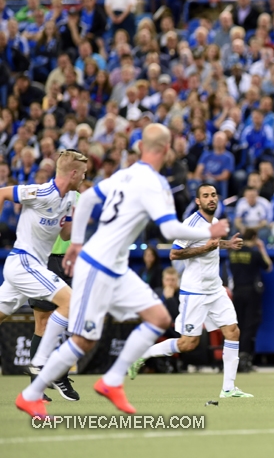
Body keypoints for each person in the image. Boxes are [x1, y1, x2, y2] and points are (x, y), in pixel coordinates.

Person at [16, 124, 231, 418]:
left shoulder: (125, 173)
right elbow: (169, 229)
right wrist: (212, 232)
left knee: (158, 318)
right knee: (84, 339)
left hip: (113, 264)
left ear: (142, 147)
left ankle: (111, 381)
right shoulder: (155, 183)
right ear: (167, 150)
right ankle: (31, 394)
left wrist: (76, 242)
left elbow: (89, 198)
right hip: (99, 265)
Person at [129, 183, 252, 398]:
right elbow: (174, 254)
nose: (211, 199)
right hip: (194, 291)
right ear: (198, 201)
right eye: (206, 196)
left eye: (213, 195)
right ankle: (143, 354)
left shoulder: (214, 222)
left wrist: (227, 245)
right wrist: (206, 248)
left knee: (233, 331)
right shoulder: (191, 224)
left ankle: (228, 388)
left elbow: (211, 243)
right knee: (188, 343)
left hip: (214, 288)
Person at [0, 150, 88, 403]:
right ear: (72, 173)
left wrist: (79, 219)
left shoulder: (71, 197)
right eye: (82, 173)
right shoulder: (41, 192)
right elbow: (3, 193)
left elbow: (64, 235)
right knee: (71, 303)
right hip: (22, 263)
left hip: (34, 267)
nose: (84, 176)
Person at [27, 189, 81, 403]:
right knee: (42, 323)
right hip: (44, 259)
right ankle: (37, 384)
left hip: (71, 262)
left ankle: (60, 375)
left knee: (73, 321)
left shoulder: (80, 198)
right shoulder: (41, 195)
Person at [228, 228, 273, 372]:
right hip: (251, 292)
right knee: (250, 325)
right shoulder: (254, 253)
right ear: (254, 237)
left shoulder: (232, 253)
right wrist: (261, 248)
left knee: (238, 325)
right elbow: (268, 266)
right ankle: (245, 357)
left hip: (237, 292)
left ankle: (235, 358)